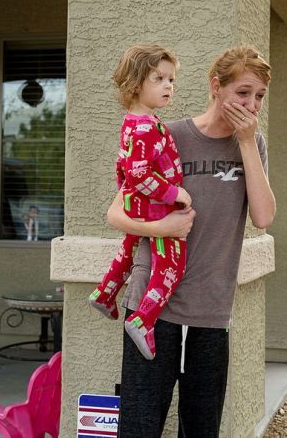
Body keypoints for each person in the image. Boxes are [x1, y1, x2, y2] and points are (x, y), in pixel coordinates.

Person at [106, 45, 276, 437]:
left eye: (259, 96)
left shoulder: (253, 146)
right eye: (243, 93)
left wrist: (247, 143)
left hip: (211, 310)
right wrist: (162, 229)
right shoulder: (170, 134)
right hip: (152, 310)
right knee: (140, 426)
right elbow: (116, 213)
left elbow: (263, 217)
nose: (252, 104)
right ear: (216, 87)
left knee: (201, 428)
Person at [88, 44, 192, 361]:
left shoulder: (134, 121)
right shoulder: (146, 127)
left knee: (130, 246)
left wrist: (134, 201)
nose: (168, 86)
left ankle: (105, 293)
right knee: (172, 264)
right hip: (155, 205)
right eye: (159, 78)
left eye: (171, 80)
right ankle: (143, 320)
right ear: (135, 83)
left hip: (139, 204)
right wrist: (176, 194)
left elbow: (124, 169)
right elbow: (138, 174)